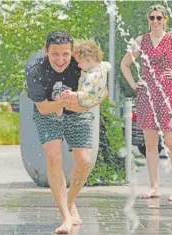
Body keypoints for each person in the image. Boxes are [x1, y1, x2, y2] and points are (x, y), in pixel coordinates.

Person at [120, 4, 172, 201]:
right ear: (148, 20)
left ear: (165, 19)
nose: (155, 21)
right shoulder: (140, 41)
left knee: (170, 143)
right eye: (152, 18)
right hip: (147, 95)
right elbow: (124, 64)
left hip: (168, 94)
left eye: (159, 18)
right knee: (150, 145)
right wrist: (134, 84)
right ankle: (154, 187)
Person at [25, 30, 102, 234]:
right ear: (46, 51)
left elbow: (102, 91)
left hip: (77, 112)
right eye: (55, 54)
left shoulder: (81, 64)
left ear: (72, 52)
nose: (61, 60)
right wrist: (62, 101)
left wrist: (85, 103)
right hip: (48, 113)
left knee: (84, 161)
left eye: (65, 54)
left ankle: (70, 202)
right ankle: (66, 217)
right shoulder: (35, 70)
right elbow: (42, 107)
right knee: (53, 155)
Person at [59, 39, 111, 109]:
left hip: (87, 101)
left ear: (87, 60)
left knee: (64, 101)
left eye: (79, 62)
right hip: (99, 96)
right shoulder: (103, 65)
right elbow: (109, 66)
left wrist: (73, 94)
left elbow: (84, 93)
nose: (78, 65)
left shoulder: (90, 76)